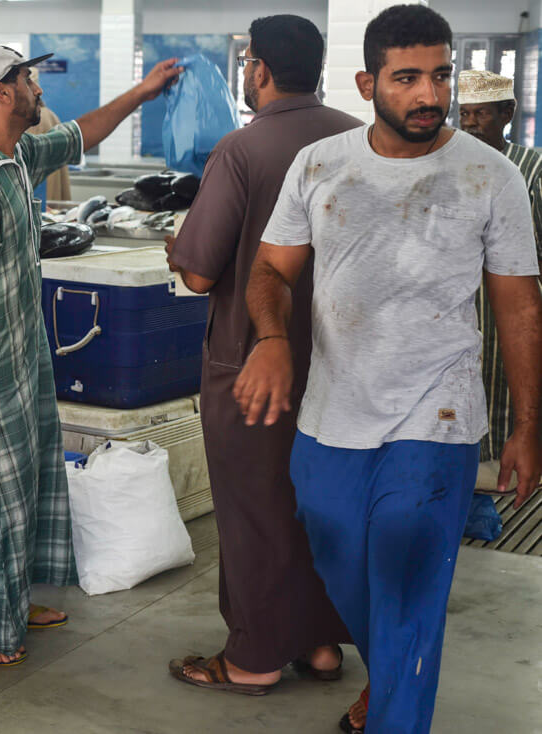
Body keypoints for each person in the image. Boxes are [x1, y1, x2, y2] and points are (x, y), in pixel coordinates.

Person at [235, 6, 542, 732]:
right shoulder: (321, 165)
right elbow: (270, 273)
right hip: (331, 414)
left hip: (438, 416)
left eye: (439, 76)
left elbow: (520, 309)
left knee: (406, 571)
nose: (429, 95)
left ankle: (396, 711)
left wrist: (527, 426)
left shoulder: (489, 176)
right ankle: (391, 676)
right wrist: (271, 338)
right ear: (367, 81)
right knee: (337, 547)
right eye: (407, 79)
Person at [0, 45, 183, 666]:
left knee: (23, 485)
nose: (38, 86)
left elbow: (84, 132)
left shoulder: (17, 156)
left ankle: (9, 598)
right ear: (2, 92)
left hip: (24, 360)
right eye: (28, 77)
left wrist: (144, 91)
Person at [164, 14, 360, 696]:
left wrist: (176, 245)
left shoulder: (243, 150)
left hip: (254, 363)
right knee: (322, 506)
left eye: (248, 61)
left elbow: (196, 272)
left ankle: (252, 659)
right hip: (342, 366)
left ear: (260, 69)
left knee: (256, 511)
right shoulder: (357, 140)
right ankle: (321, 643)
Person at [456, 69, 542, 493]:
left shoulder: (533, 169)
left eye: (481, 114)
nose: (469, 123)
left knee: (513, 407)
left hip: (510, 319)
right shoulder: (447, 169)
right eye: (464, 113)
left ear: (507, 112)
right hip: (460, 316)